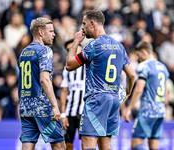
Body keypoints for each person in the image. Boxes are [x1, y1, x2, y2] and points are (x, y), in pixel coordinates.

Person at [66, 10, 135, 150]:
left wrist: (76, 41)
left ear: (92, 23)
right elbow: (132, 75)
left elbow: (69, 65)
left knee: (87, 142)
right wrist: (127, 93)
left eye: (84, 24)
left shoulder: (93, 46)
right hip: (114, 100)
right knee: (105, 144)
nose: (82, 28)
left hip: (97, 100)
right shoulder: (119, 46)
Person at [18, 17, 65, 150]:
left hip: (26, 107)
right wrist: (55, 106)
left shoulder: (24, 52)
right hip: (42, 106)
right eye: (51, 31)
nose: (54, 34)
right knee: (59, 144)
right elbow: (44, 79)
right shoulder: (45, 51)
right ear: (40, 32)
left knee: (27, 145)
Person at [124, 41, 169, 150]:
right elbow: (167, 94)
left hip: (147, 111)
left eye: (138, 55)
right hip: (161, 111)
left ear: (144, 52)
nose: (138, 59)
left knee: (135, 144)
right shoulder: (163, 67)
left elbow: (139, 89)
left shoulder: (144, 66)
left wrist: (129, 108)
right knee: (154, 144)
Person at [60, 39, 85, 150]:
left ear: (81, 48)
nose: (72, 51)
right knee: (67, 142)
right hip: (70, 111)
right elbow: (64, 91)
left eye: (74, 48)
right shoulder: (67, 69)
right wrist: (63, 114)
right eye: (69, 50)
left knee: (86, 142)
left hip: (85, 112)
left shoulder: (90, 66)